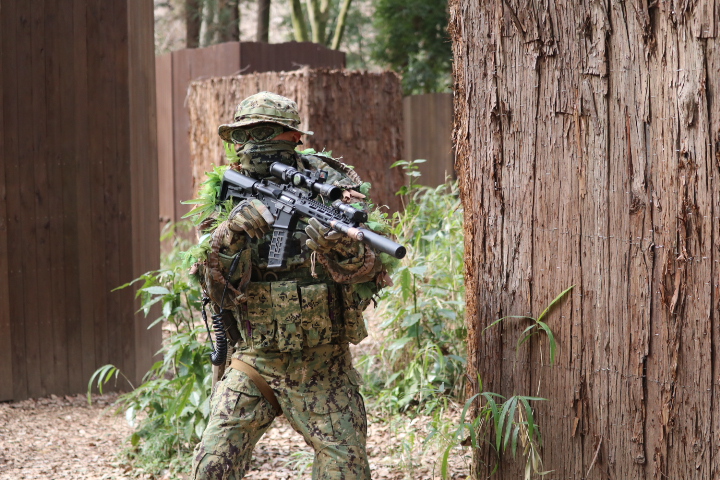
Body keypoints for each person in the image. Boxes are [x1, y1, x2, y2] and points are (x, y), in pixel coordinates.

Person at [189, 91, 391, 479]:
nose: (251, 144)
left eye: (264, 133)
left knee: (345, 470)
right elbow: (211, 286)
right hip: (255, 360)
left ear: (295, 137)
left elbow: (373, 270)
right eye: (243, 135)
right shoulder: (225, 192)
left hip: (322, 364)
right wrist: (230, 235)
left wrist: (340, 249)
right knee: (211, 466)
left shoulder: (330, 184)